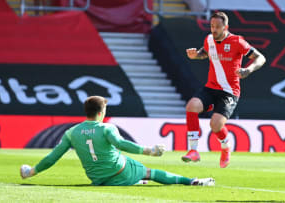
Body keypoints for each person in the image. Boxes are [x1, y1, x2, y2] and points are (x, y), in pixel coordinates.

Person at [20, 96, 215, 186]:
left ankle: (136, 181)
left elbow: (52, 157)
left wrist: (32, 171)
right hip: (120, 172)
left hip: (97, 179)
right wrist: (149, 150)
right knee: (151, 172)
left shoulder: (71, 132)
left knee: (131, 167)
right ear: (101, 112)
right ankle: (194, 182)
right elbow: (121, 144)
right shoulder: (106, 127)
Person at [183, 12, 266, 168]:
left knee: (215, 125)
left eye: (217, 27)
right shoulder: (209, 39)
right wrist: (196, 55)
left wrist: (248, 70)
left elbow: (260, 57)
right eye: (212, 26)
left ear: (226, 27)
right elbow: (205, 52)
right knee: (191, 106)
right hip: (211, 87)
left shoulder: (237, 41)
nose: (213, 30)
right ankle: (193, 151)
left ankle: (225, 146)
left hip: (229, 92)